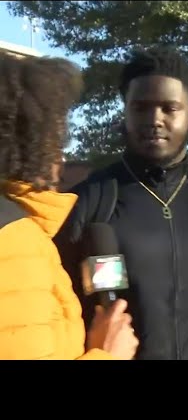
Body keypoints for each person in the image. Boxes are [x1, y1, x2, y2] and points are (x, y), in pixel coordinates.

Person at [54, 46, 188, 360]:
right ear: (125, 110)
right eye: (141, 108)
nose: (154, 119)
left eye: (169, 108)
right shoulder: (88, 202)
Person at [0, 52, 138, 360]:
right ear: (30, 142)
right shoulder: (13, 244)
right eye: (57, 141)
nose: (61, 159)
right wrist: (108, 353)